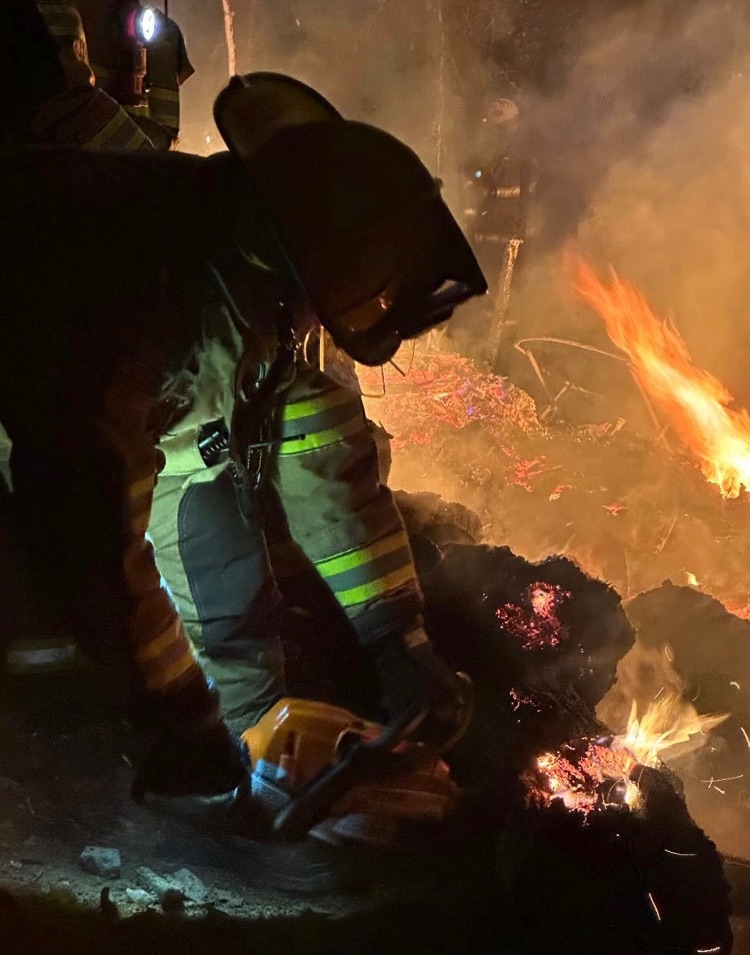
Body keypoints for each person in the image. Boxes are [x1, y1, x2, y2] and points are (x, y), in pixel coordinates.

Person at [0, 72, 487, 820]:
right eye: (311, 311)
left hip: (106, 450)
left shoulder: (252, 256)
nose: (310, 331)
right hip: (33, 448)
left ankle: (212, 775)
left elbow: (318, 438)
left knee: (227, 594)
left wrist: (399, 635)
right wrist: (176, 713)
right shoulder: (120, 277)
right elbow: (84, 514)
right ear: (281, 267)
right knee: (52, 625)